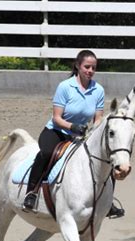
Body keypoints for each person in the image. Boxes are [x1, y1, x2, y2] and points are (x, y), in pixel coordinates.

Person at [23, 50, 124, 218]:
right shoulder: (65, 86)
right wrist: (73, 127)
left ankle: (108, 202)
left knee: (107, 160)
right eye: (87, 67)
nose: (90, 71)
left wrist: (96, 132)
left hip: (80, 136)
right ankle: (31, 192)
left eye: (93, 67)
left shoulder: (98, 90)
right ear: (78, 66)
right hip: (57, 131)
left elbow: (98, 119)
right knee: (46, 153)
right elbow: (56, 118)